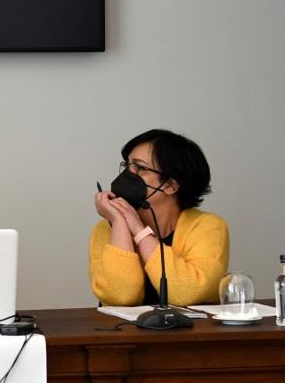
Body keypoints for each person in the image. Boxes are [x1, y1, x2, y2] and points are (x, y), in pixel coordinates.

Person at [89, 129, 229, 307]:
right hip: (124, 334)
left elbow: (186, 292)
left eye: (139, 167)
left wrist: (139, 231)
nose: (128, 174)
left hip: (191, 334)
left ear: (170, 186)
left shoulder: (208, 227)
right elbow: (121, 298)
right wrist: (119, 223)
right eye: (127, 165)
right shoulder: (106, 229)